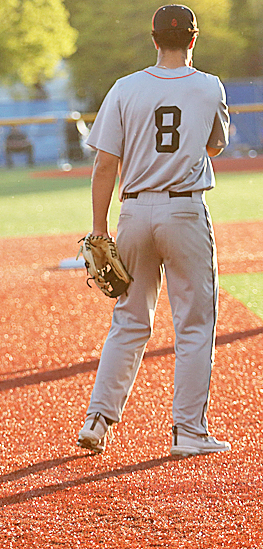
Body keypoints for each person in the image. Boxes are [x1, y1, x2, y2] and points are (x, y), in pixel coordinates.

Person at [77, 4, 231, 457]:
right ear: (193, 39)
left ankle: (98, 419)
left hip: (134, 212)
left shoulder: (125, 87)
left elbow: (105, 164)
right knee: (194, 324)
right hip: (184, 211)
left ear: (154, 38)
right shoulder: (209, 86)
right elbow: (215, 146)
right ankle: (189, 431)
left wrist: (99, 230)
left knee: (128, 320)